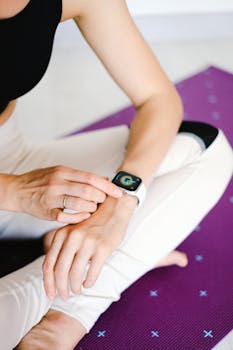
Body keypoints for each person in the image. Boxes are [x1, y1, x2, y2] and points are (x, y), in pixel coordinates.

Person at [0, 0, 232, 349]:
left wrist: (124, 199)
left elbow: (158, 99)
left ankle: (67, 314)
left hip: (11, 155)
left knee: (205, 149)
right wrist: (13, 191)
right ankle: (88, 269)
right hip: (11, 187)